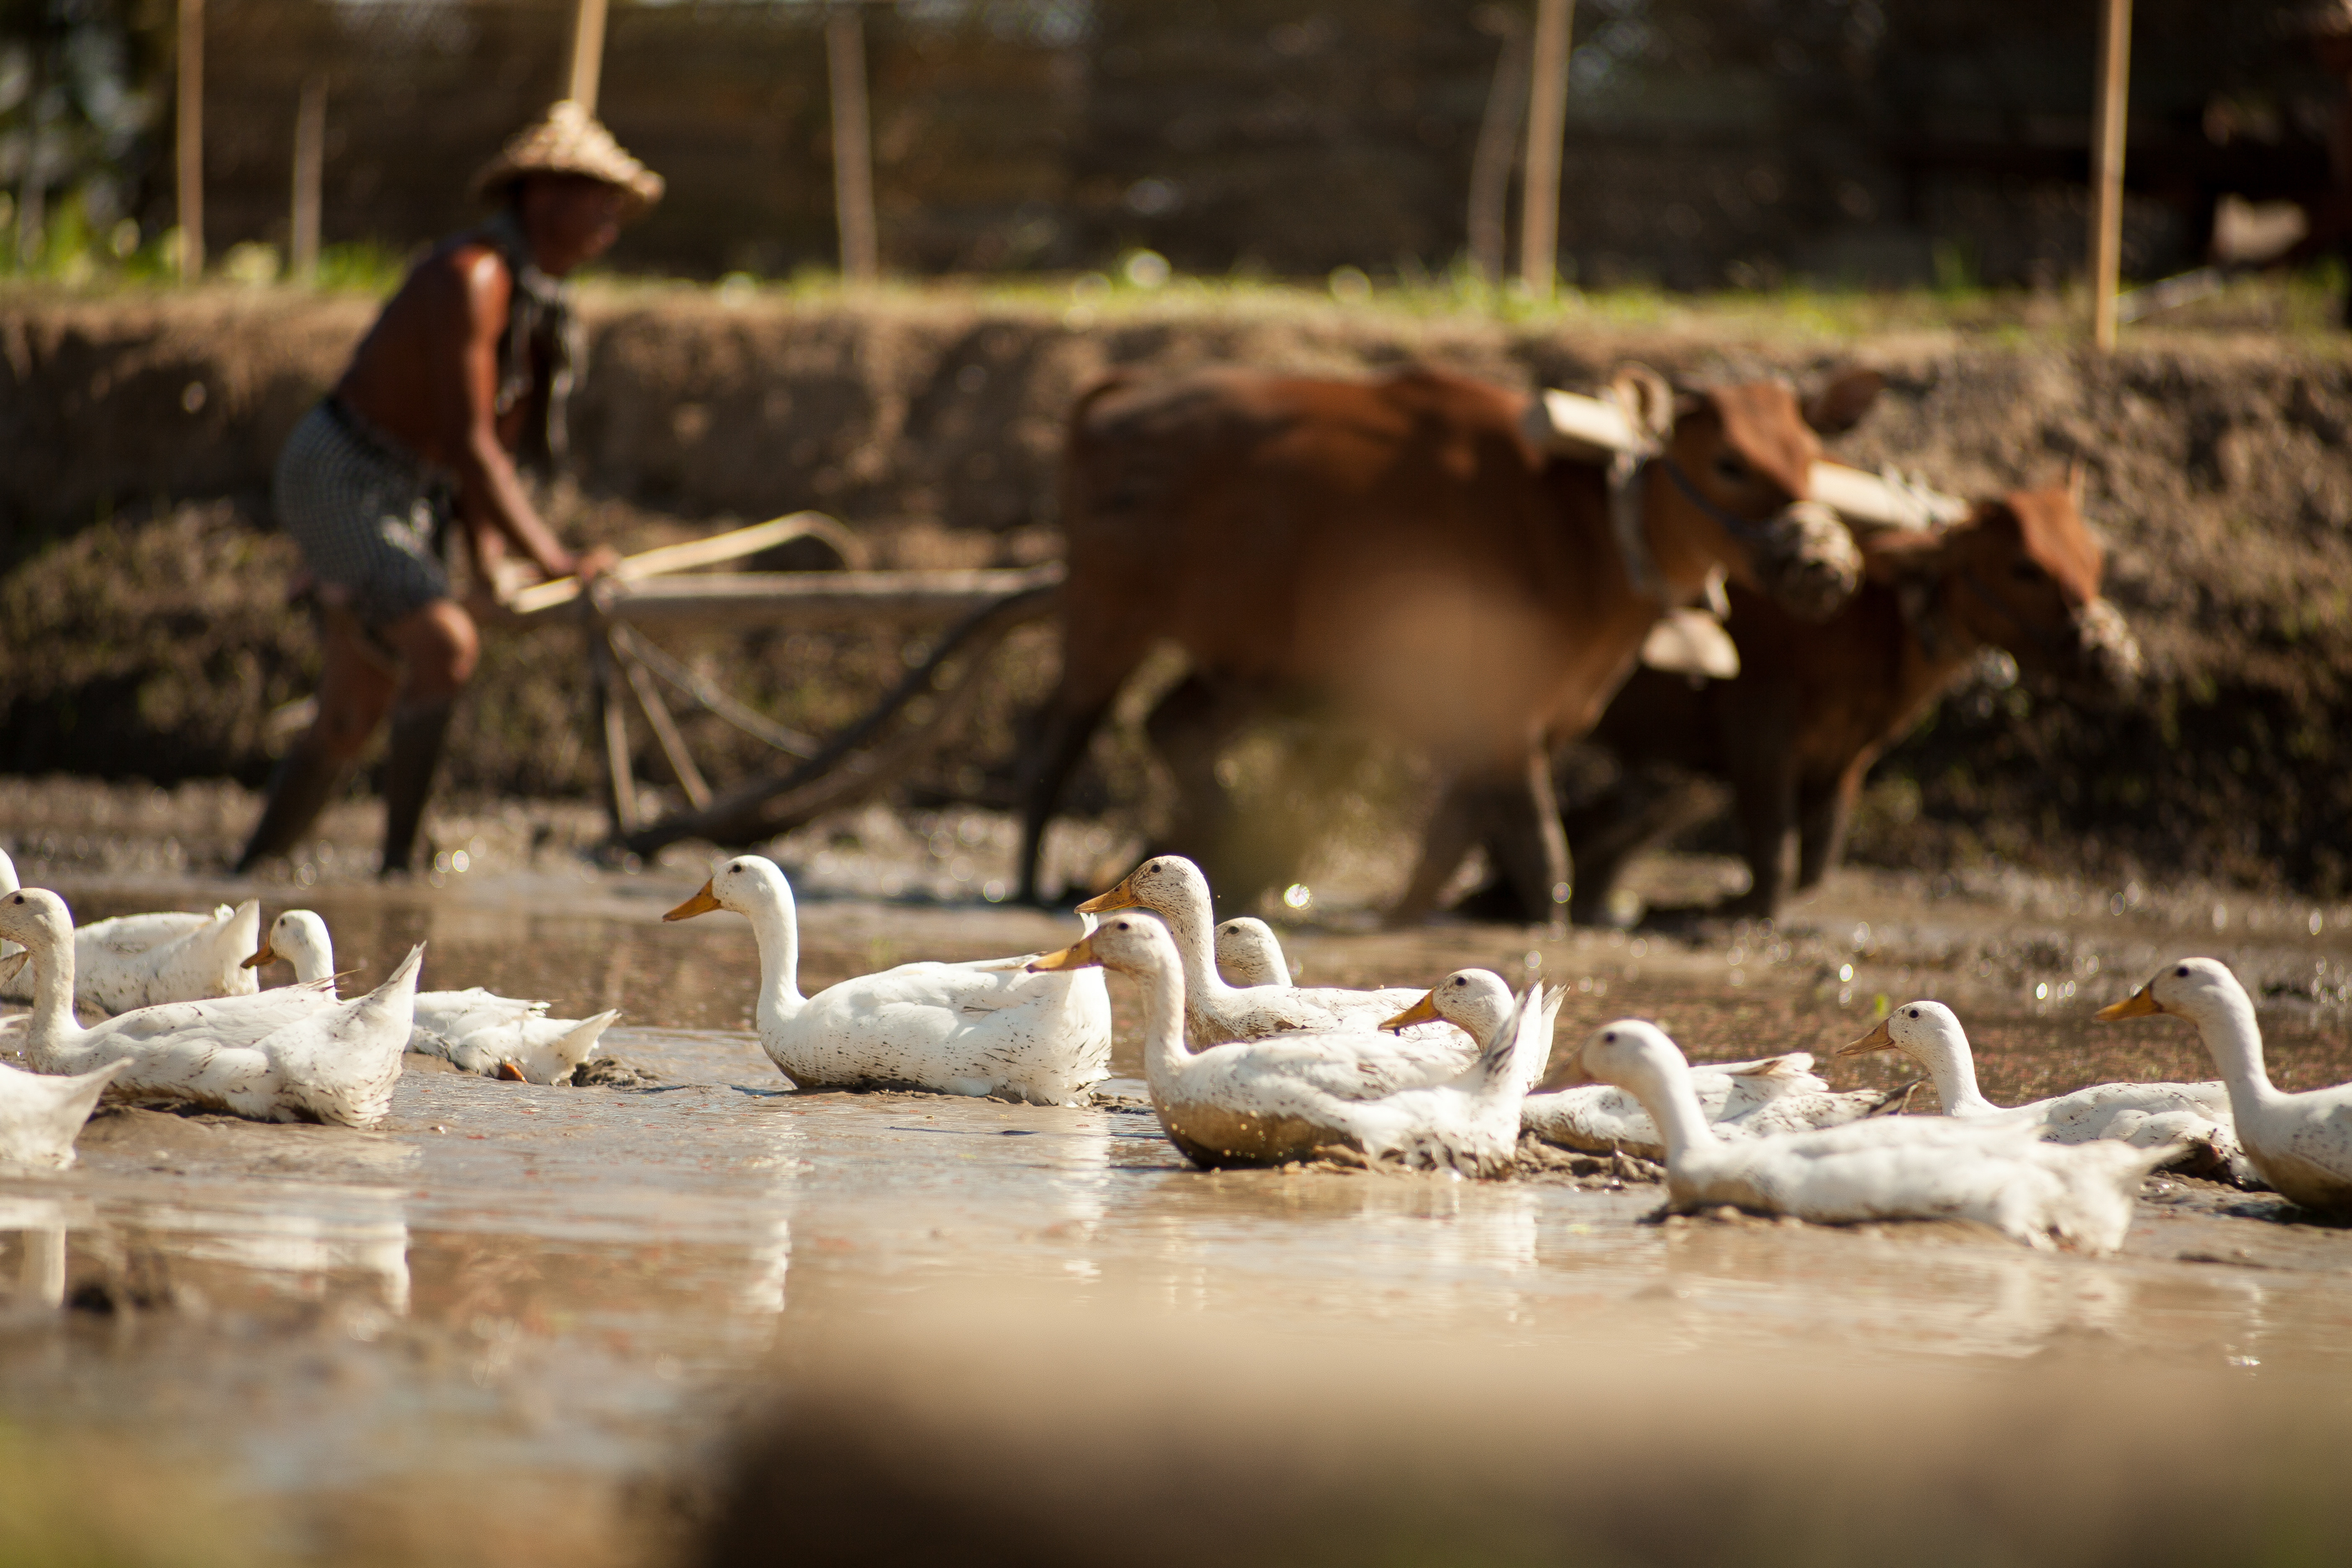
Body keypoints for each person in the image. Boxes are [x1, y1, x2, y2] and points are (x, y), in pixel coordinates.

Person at [236, 101, 662, 876]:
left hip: (418, 490)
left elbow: (483, 450)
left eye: (615, 203)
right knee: (445, 646)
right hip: (345, 470)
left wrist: (495, 564)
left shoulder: (537, 307)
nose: (610, 217)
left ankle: (247, 876)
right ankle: (403, 868)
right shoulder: (471, 279)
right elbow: (470, 445)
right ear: (540, 197)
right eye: (597, 197)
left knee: (352, 713)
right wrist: (558, 559)